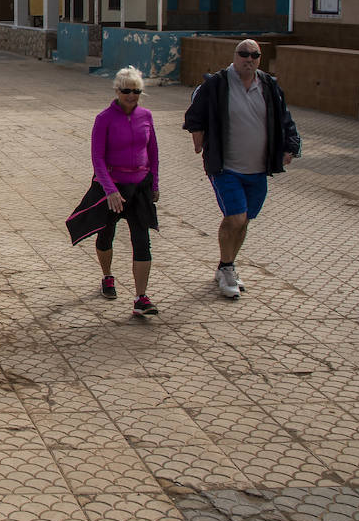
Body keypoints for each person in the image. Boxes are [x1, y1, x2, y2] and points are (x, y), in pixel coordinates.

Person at [182, 39, 301, 299]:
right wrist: (197, 137)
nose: (249, 59)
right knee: (235, 217)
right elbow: (195, 113)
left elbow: (284, 119)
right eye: (244, 54)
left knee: (245, 219)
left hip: (258, 168)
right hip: (225, 166)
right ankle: (226, 268)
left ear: (260, 58)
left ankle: (228, 266)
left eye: (255, 55)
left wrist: (291, 146)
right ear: (235, 55)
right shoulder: (217, 84)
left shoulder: (269, 86)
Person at [90, 67, 160, 316]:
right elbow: (97, 158)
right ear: (117, 91)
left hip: (139, 187)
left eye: (137, 91)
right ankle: (107, 276)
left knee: (142, 241)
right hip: (113, 186)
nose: (132, 95)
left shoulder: (146, 116)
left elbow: (153, 153)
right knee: (106, 234)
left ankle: (141, 297)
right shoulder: (104, 118)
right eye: (127, 91)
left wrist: (154, 184)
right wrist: (109, 190)